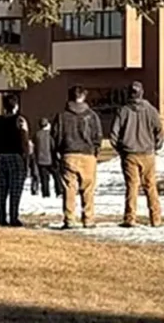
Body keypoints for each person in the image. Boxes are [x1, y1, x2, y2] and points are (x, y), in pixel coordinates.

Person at [109, 81, 163, 228]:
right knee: (150, 186)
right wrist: (156, 146)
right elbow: (159, 130)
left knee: (132, 187)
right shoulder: (151, 111)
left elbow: (114, 134)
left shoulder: (123, 111)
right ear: (142, 93)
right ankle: (155, 218)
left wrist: (120, 150)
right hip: (148, 154)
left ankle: (130, 218)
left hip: (130, 154)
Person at [52, 86, 103, 230]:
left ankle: (69, 219)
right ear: (84, 97)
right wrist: (95, 151)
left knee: (69, 188)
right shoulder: (92, 116)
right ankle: (88, 219)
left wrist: (58, 151)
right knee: (88, 189)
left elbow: (55, 136)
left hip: (68, 154)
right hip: (88, 154)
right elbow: (97, 136)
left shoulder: (61, 116)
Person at [0, 94, 29, 227]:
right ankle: (14, 217)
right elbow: (24, 139)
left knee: (2, 188)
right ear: (16, 105)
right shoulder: (20, 120)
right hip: (15, 155)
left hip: (1, 155)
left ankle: (1, 217)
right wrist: (25, 156)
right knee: (15, 188)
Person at [33, 118, 61, 199]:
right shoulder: (50, 135)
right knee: (56, 176)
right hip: (50, 159)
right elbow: (53, 146)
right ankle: (58, 191)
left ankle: (45, 193)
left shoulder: (37, 135)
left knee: (44, 178)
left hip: (40, 160)